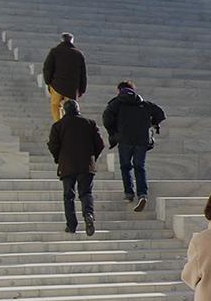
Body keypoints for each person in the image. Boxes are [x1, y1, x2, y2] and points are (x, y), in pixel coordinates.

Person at [102, 80, 166, 210]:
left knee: (125, 167)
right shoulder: (143, 103)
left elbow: (106, 119)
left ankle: (129, 193)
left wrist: (114, 132)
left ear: (120, 90)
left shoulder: (116, 103)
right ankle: (142, 194)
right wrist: (153, 123)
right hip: (141, 141)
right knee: (139, 167)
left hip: (124, 140)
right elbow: (160, 113)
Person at [47, 99, 104, 236]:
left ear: (65, 111)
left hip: (67, 165)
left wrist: (58, 158)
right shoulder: (89, 123)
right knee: (86, 193)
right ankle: (88, 215)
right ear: (78, 109)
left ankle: (71, 225)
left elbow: (53, 145)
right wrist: (91, 157)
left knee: (68, 196)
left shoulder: (58, 126)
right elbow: (100, 144)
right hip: (86, 165)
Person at [42, 32, 87, 122]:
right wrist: (82, 89)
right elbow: (83, 74)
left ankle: (58, 123)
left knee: (56, 105)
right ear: (72, 41)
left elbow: (47, 68)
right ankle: (69, 124)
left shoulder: (54, 51)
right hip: (72, 87)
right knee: (71, 108)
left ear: (61, 40)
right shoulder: (78, 54)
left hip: (56, 84)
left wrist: (48, 82)